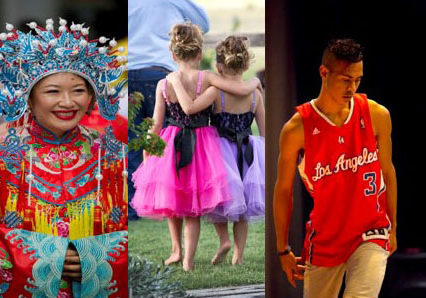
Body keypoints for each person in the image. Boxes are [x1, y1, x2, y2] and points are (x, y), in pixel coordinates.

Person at [0, 18, 128, 297]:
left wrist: (92, 256)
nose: (68, 103)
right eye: (53, 91)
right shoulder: (5, 158)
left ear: (92, 97)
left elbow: (129, 231)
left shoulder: (111, 155)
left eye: (78, 91)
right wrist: (50, 258)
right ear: (28, 98)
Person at [130, 23, 260, 272]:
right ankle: (188, 260)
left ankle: (176, 250)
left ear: (173, 55)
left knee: (171, 198)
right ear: (200, 53)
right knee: (192, 208)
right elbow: (238, 89)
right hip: (203, 144)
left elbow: (156, 123)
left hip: (170, 142)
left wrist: (148, 150)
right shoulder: (208, 77)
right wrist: (254, 82)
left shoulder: (164, 83)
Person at [273, 39, 397, 297]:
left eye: (357, 80)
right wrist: (282, 249)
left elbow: (388, 173)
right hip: (325, 239)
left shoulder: (377, 115)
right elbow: (283, 190)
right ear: (324, 73)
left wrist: (393, 227)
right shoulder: (296, 129)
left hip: (371, 232)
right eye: (345, 79)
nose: (352, 87)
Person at [168, 35, 265, 266]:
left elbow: (191, 109)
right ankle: (238, 256)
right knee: (243, 210)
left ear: (219, 66)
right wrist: (254, 83)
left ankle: (224, 240)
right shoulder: (256, 94)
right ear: (247, 65)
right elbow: (263, 130)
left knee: (219, 200)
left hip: (220, 151)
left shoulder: (216, 93)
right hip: (248, 152)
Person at [127, 0, 210, 220]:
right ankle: (167, 200)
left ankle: (135, 206)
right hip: (159, 69)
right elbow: (204, 23)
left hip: (128, 69)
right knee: (166, 140)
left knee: (134, 139)